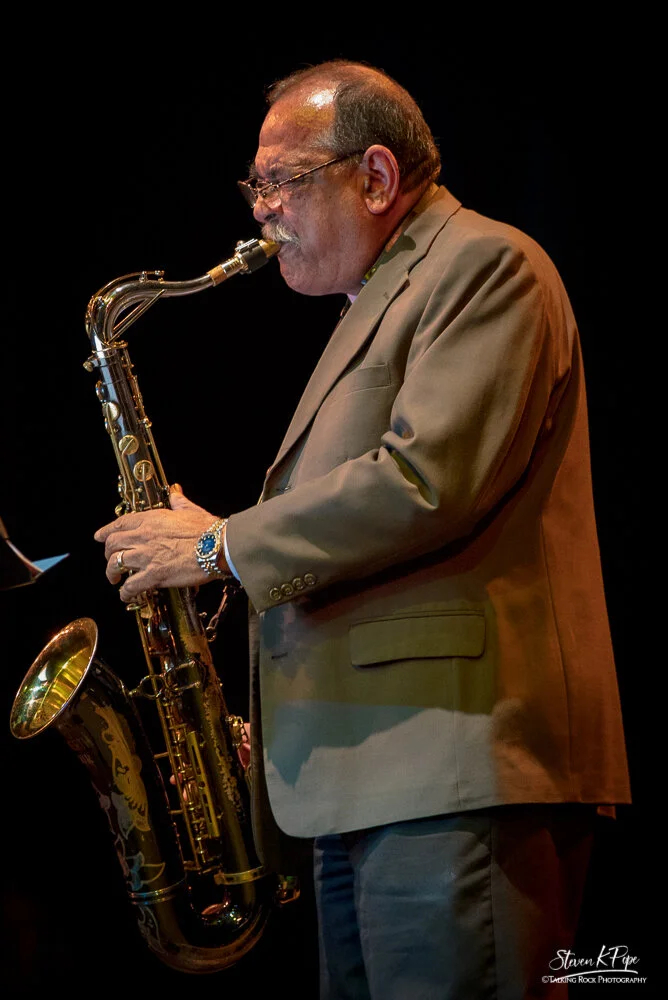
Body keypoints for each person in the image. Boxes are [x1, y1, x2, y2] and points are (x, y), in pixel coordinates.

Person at [94, 60, 631, 999]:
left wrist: (219, 547)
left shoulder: (485, 264)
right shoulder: (377, 302)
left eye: (282, 181)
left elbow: (425, 483)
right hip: (370, 780)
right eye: (254, 186)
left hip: (452, 773)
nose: (261, 211)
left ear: (377, 177)